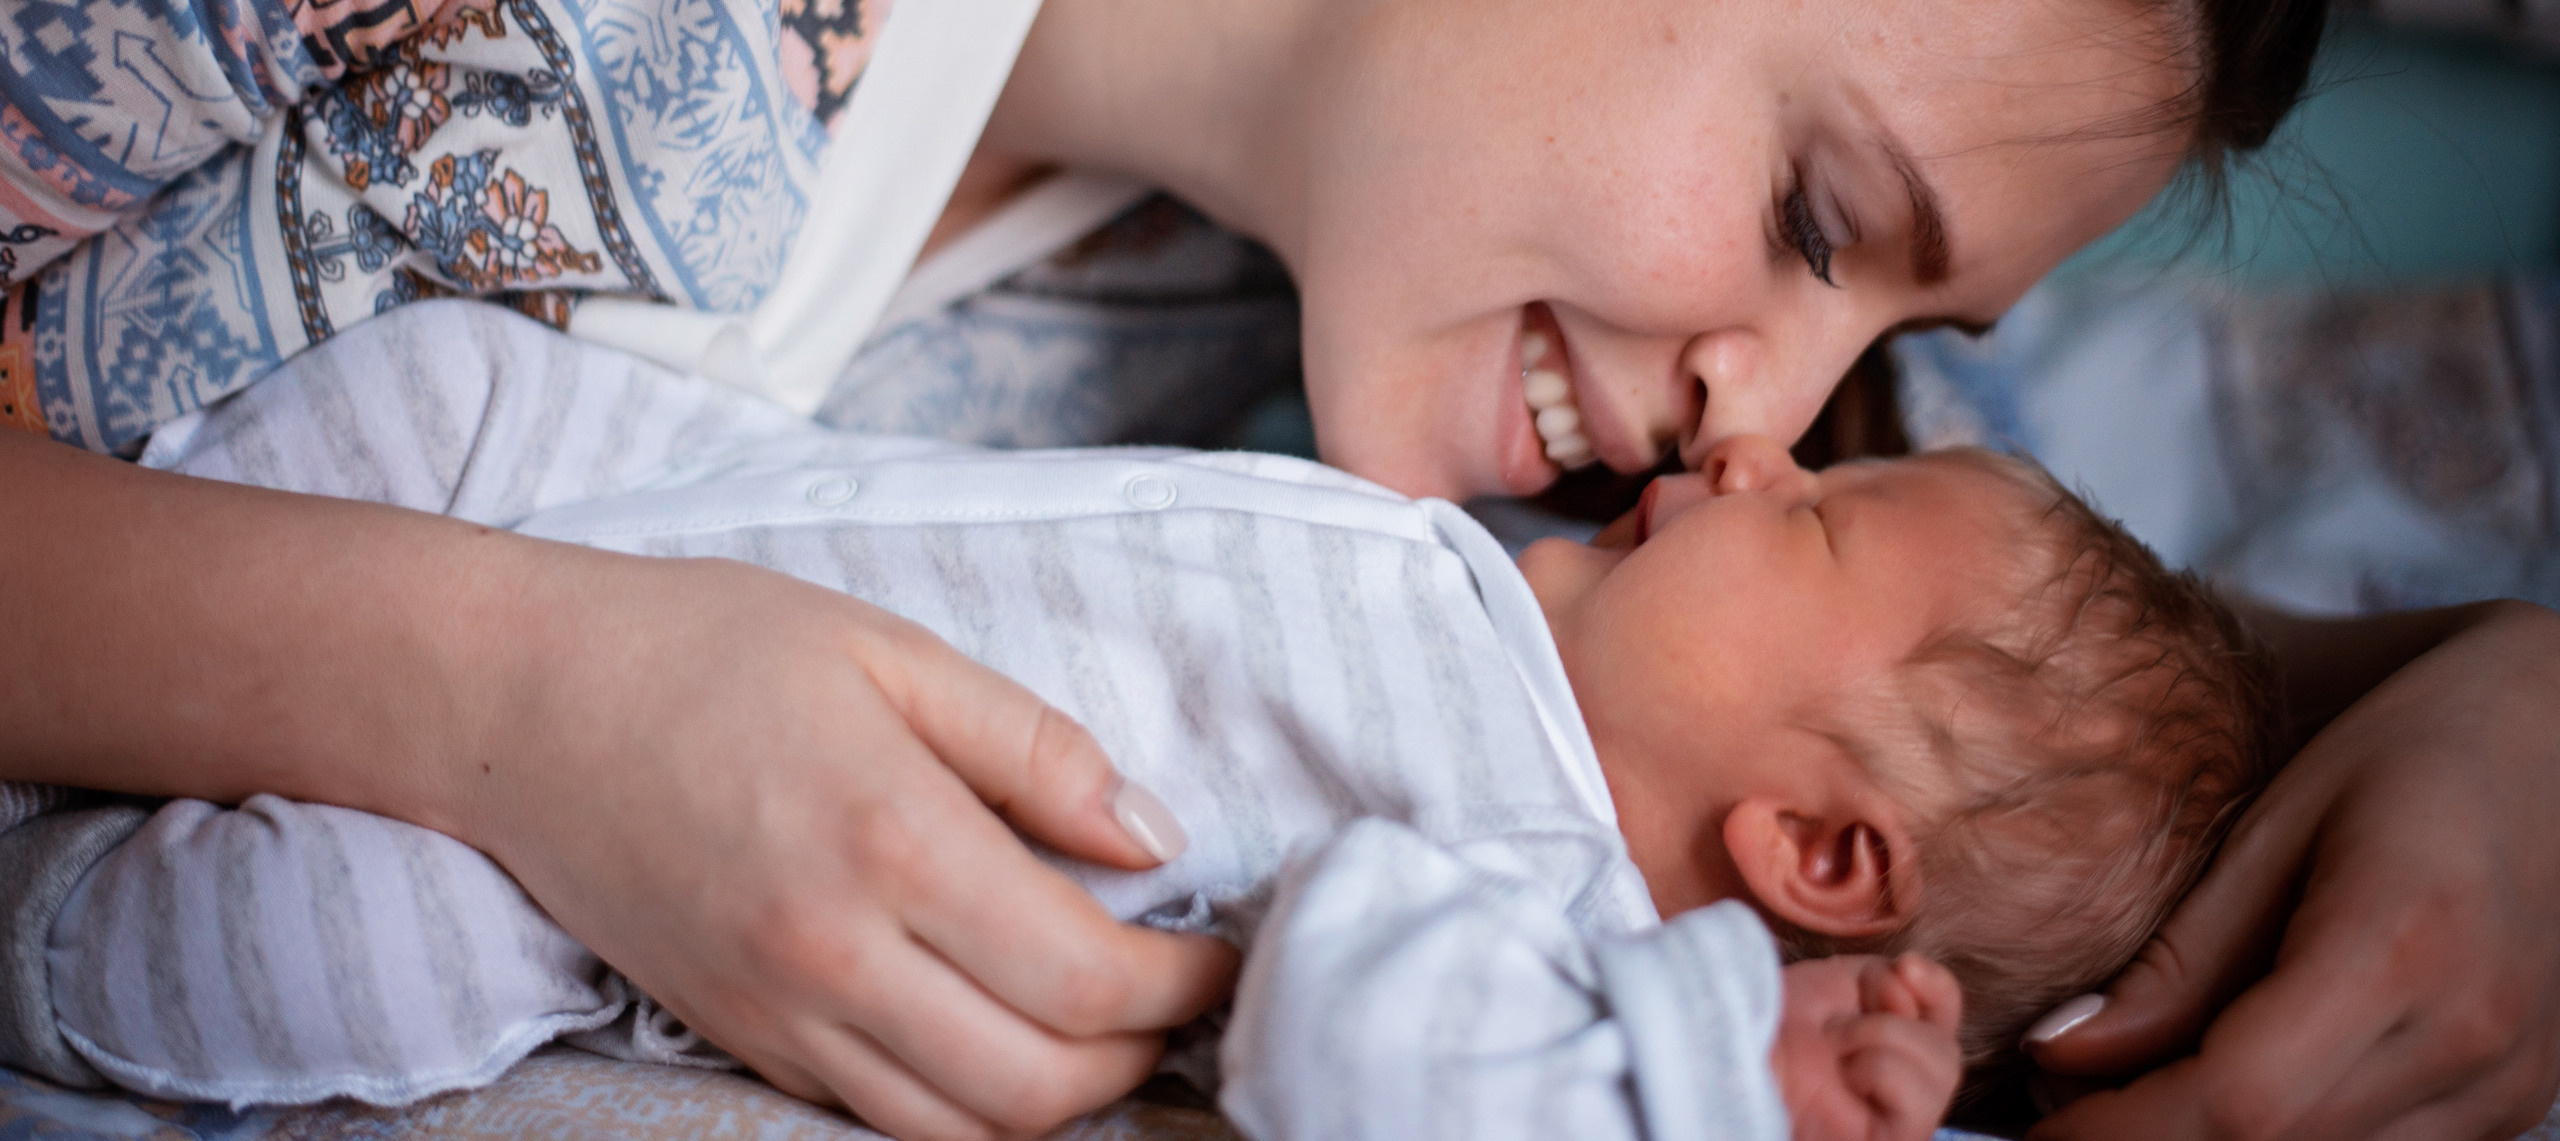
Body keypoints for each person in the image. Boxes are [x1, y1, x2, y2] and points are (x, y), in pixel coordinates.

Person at [1, 0, 2556, 1137]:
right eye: (1807, 220)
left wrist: (2495, 683)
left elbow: (1977, 737)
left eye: (1890, 344)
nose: (1748, 421)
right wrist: (521, 699)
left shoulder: (1356, 362)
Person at [2, 303, 2277, 1141]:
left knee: (364, 953)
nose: (1763, 445)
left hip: (604, 895)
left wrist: (1705, 1069)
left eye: (1818, 524)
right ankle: (129, 565)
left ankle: (41, 931)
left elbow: (1351, 1063)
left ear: (1815, 859)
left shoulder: (1544, 928)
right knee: (452, 373)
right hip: (661, 513)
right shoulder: (1498, 590)